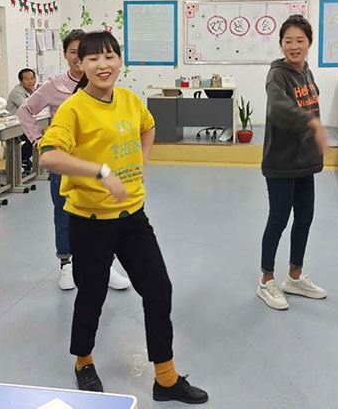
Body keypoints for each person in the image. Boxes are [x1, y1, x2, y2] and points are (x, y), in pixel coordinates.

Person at [39, 31, 208, 403]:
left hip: (132, 217)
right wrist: (100, 172)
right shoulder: (73, 108)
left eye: (110, 56)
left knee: (158, 289)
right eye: (93, 58)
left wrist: (142, 161)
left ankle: (166, 379)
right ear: (80, 64)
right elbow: (49, 156)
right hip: (89, 221)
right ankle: (83, 362)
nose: (103, 65)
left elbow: (148, 126)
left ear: (120, 60)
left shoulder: (130, 100)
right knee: (92, 295)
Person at [17, 30, 129, 292]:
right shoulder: (54, 86)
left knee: (103, 214)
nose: (79, 58)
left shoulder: (104, 83)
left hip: (98, 163)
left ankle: (104, 264)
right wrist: (38, 140)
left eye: (84, 52)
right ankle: (66, 263)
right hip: (65, 163)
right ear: (65, 54)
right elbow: (25, 111)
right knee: (65, 213)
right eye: (73, 52)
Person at [258, 14, 328, 311]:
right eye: (288, 41)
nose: (294, 46)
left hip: (305, 161)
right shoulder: (277, 75)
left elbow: (311, 103)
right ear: (281, 44)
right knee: (278, 220)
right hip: (281, 161)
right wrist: (311, 124)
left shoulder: (306, 72)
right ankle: (266, 280)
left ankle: (295, 277)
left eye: (300, 40)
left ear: (309, 43)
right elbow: (278, 108)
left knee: (304, 218)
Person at [6, 68, 38, 172]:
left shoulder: (31, 90)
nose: (30, 81)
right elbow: (29, 108)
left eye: (32, 78)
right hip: (12, 127)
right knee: (34, 136)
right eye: (27, 79)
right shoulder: (17, 92)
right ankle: (20, 160)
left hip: (23, 125)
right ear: (21, 81)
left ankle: (24, 160)